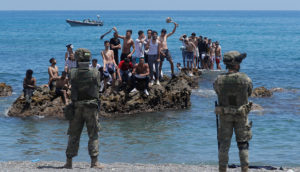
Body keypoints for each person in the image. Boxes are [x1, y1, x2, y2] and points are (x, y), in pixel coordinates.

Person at [62, 48, 102, 169]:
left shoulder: (73, 72)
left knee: (73, 134)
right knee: (93, 135)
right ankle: (94, 162)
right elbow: (98, 86)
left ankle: (69, 162)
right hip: (91, 107)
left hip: (77, 107)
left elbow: (72, 85)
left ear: (78, 59)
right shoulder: (95, 72)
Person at [213, 51, 253, 172]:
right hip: (241, 115)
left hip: (225, 116)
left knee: (224, 145)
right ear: (236, 64)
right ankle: (245, 169)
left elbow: (217, 91)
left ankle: (222, 169)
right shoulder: (245, 79)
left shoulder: (219, 80)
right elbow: (249, 92)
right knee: (243, 145)